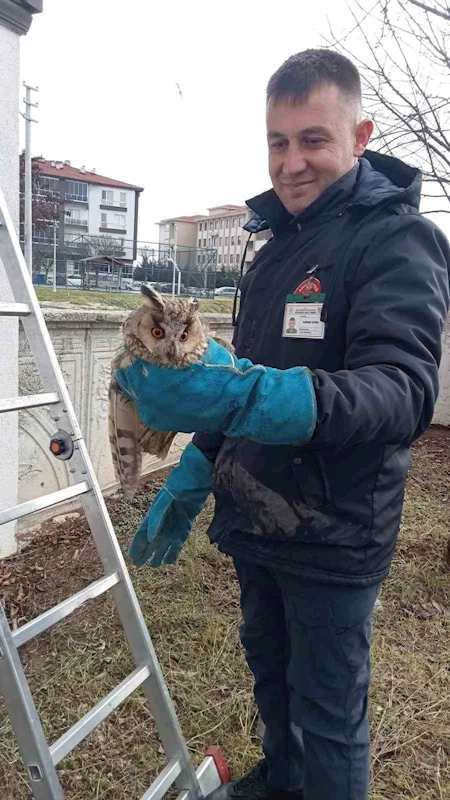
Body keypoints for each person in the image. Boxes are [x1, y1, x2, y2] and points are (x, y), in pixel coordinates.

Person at [116, 49, 450, 800]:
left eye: (313, 139)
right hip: (256, 514)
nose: (292, 162)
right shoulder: (271, 251)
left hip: (333, 530)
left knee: (329, 715)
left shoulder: (398, 241)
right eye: (277, 141)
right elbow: (240, 383)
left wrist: (252, 401)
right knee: (271, 677)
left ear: (360, 136)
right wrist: (198, 470)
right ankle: (280, 783)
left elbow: (401, 394)